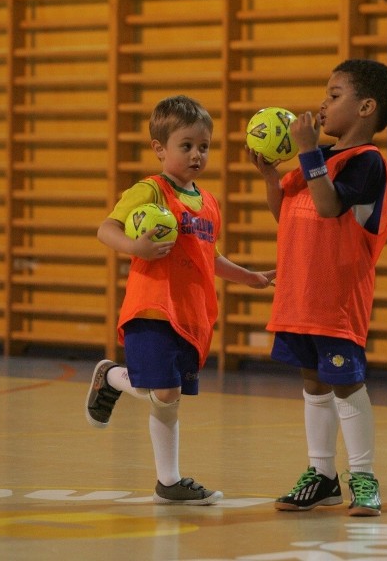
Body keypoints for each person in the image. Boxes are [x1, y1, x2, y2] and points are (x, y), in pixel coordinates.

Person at [86, 95, 275, 505]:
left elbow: (211, 256)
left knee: (169, 401)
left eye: (203, 146)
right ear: (160, 149)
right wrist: (135, 247)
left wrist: (250, 278)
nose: (196, 154)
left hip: (192, 313)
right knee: (165, 393)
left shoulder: (208, 202)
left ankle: (168, 482)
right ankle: (113, 376)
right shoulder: (150, 191)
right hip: (152, 307)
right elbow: (106, 229)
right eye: (186, 146)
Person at [248, 59, 387, 516]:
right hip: (299, 296)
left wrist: (307, 152)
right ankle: (322, 475)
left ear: (366, 108)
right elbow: (287, 212)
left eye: (334, 96)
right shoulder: (317, 162)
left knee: (346, 384)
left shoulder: (366, 161)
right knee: (313, 384)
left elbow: (330, 206)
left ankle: (364, 476)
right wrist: (271, 177)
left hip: (336, 300)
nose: (322, 104)